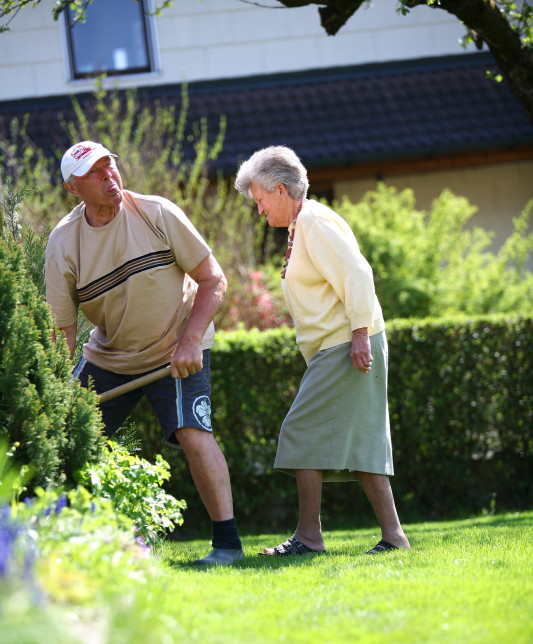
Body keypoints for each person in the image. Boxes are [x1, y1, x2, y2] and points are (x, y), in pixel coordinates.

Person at [45, 140, 244, 566]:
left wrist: (191, 341)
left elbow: (213, 280)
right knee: (65, 438)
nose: (108, 176)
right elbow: (62, 328)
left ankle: (227, 546)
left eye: (109, 166)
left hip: (178, 347)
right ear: (72, 187)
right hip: (109, 357)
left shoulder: (156, 212)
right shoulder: (63, 242)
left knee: (194, 432)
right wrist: (58, 392)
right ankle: (56, 545)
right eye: (95, 172)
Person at [235, 145, 410, 556]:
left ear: (280, 190)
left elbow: (357, 273)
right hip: (339, 344)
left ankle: (309, 538)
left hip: (345, 344)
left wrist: (361, 335)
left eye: (259, 201)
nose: (259, 211)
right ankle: (394, 537)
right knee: (362, 444)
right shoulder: (302, 227)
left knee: (300, 431)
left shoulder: (313, 220)